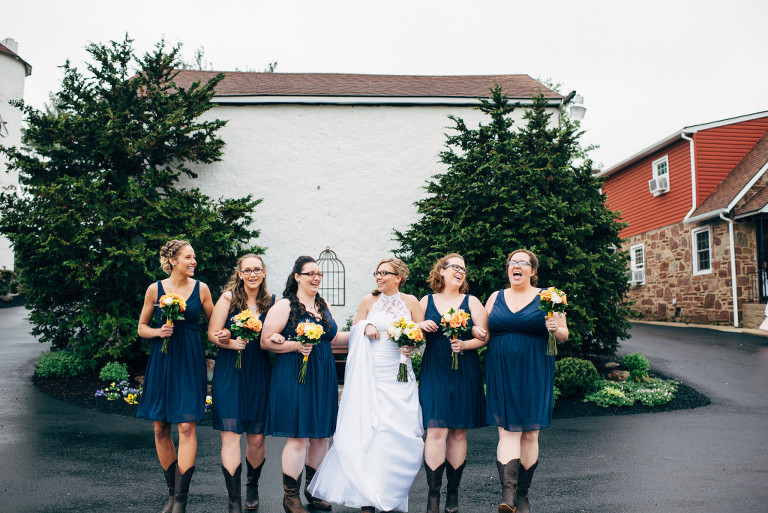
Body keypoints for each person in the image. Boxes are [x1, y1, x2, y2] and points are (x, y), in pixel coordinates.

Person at [308, 257, 425, 513]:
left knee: (397, 433)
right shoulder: (368, 301)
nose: (379, 277)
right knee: (371, 432)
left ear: (399, 277)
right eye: (377, 273)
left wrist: (411, 344)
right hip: (371, 373)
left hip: (399, 372)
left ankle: (388, 491)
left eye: (385, 273)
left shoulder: (412, 302)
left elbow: (420, 336)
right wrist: (367, 324)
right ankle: (366, 497)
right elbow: (355, 329)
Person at [261, 256, 349, 513]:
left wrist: (365, 330)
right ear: (297, 276)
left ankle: (314, 490)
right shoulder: (285, 305)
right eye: (310, 273)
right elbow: (266, 341)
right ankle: (290, 497)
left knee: (321, 436)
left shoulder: (323, 305)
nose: (316, 278)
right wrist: (295, 345)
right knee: (299, 436)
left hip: (323, 373)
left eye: (319, 274)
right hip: (294, 372)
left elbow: (333, 339)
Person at [484, 249, 568, 513]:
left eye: (523, 262)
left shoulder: (549, 297)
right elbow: (483, 331)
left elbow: (564, 333)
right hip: (501, 370)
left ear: (533, 270)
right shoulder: (495, 297)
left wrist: (556, 328)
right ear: (508, 268)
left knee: (530, 433)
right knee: (507, 430)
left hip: (535, 368)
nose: (516, 266)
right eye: (512, 262)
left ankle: (523, 495)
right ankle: (507, 496)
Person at [136, 239, 216, 513]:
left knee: (186, 426)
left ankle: (181, 499)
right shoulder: (154, 289)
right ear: (173, 261)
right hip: (162, 360)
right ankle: (171, 493)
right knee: (160, 427)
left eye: (194, 257)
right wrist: (158, 332)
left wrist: (230, 334)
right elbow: (142, 328)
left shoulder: (202, 289)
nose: (194, 262)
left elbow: (214, 325)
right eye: (188, 257)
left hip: (190, 359)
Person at [207, 254, 283, 512]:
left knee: (257, 437)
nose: (252, 274)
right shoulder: (228, 299)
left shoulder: (273, 303)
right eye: (247, 270)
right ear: (239, 273)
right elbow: (212, 333)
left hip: (259, 371)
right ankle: (234, 498)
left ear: (264, 272)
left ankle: (252, 486)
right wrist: (228, 341)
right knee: (230, 435)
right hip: (230, 371)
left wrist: (279, 339)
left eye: (257, 270)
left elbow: (277, 332)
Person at [417, 253, 489, 513]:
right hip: (435, 368)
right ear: (442, 272)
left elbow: (484, 336)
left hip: (465, 369)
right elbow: (413, 332)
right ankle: (433, 495)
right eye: (455, 267)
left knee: (458, 431)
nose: (460, 271)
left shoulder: (473, 302)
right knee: (436, 430)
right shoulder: (426, 301)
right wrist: (418, 327)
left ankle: (453, 495)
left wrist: (467, 342)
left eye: (463, 269)